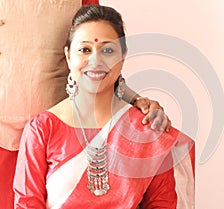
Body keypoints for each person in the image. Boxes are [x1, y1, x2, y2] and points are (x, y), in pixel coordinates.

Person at [13, 5, 194, 209]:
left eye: (108, 50)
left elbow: (163, 204)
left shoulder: (148, 130)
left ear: (123, 56)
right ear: (68, 56)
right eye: (84, 50)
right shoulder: (42, 130)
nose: (96, 60)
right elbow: (27, 204)